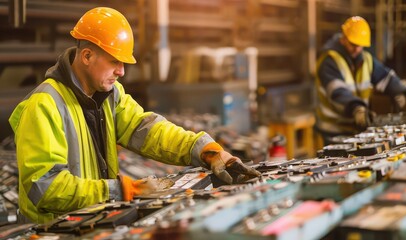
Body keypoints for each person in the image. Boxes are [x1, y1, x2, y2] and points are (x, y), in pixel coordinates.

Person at [8, 7, 261, 224]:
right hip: (53, 232)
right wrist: (120, 190)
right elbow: (45, 188)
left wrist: (204, 149)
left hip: (96, 222)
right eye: (115, 62)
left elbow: (148, 130)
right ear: (87, 56)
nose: (122, 72)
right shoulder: (44, 106)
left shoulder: (110, 94)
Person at [315, 16, 406, 145]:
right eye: (353, 44)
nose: (357, 49)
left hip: (355, 127)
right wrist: (357, 108)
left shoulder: (365, 59)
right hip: (334, 130)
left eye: (361, 45)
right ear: (343, 38)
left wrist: (397, 90)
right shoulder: (329, 60)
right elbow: (337, 92)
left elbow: (385, 77)